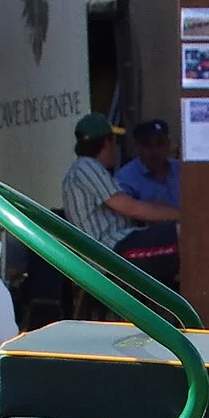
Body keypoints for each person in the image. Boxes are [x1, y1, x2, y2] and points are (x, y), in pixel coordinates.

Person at [111, 118, 181, 290]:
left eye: (159, 143)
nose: (154, 151)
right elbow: (132, 217)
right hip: (155, 249)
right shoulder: (125, 178)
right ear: (137, 147)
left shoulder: (181, 170)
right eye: (147, 145)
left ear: (168, 144)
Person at [60, 113, 124, 246]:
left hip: (118, 243)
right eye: (115, 141)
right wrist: (177, 214)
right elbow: (128, 207)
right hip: (112, 250)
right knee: (172, 233)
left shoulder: (87, 168)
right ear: (107, 142)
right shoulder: (86, 166)